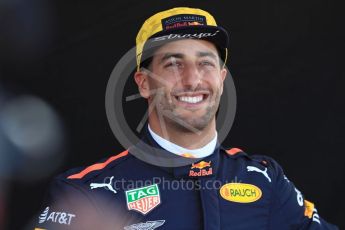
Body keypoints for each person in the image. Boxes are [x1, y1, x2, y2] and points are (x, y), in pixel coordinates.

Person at [34, 7, 338, 230]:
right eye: (173, 64)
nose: (193, 80)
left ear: (221, 79)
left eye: (205, 63)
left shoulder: (266, 180)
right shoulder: (87, 192)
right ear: (144, 83)